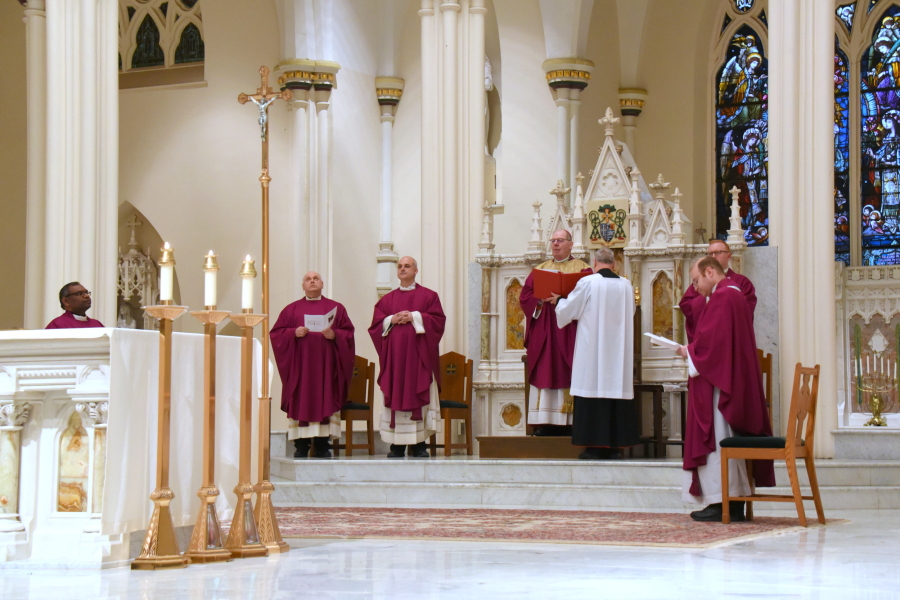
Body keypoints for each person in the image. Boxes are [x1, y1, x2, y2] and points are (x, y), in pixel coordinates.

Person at [676, 257, 774, 522]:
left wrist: (689, 351)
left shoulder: (724, 297)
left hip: (720, 383)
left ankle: (721, 502)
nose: (695, 288)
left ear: (710, 271)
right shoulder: (731, 293)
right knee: (722, 440)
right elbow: (718, 340)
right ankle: (733, 500)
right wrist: (695, 351)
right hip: (727, 377)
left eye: (696, 280)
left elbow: (712, 344)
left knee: (717, 440)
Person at [553, 248, 639, 460]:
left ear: (594, 263)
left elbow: (569, 310)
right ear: (614, 264)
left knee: (591, 388)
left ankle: (593, 447)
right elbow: (633, 312)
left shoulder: (589, 282)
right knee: (615, 390)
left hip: (593, 351)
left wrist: (558, 301)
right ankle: (615, 447)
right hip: (618, 352)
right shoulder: (626, 286)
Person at [270, 272, 355, 459]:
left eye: (316, 278)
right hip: (301, 368)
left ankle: (322, 445)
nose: (312, 281)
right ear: (303, 286)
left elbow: (348, 333)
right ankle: (301, 445)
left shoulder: (336, 308)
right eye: (308, 279)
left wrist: (336, 335)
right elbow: (276, 333)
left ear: (322, 283)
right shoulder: (291, 310)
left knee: (325, 396)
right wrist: (293, 332)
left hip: (326, 367)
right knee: (302, 398)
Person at [368, 256, 445, 458]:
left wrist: (415, 316)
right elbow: (375, 326)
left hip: (418, 360)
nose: (403, 269)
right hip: (395, 361)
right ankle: (396, 446)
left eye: (407, 266)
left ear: (415, 271)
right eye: (400, 266)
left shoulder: (429, 296)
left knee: (418, 393)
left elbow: (438, 322)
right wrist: (391, 319)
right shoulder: (387, 300)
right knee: (395, 393)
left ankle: (419, 444)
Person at [519, 230, 592, 435]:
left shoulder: (583, 270)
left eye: (560, 241)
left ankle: (570, 422)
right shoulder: (540, 270)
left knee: (568, 371)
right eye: (553, 241)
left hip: (569, 331)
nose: (556, 244)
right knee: (545, 369)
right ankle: (545, 422)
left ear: (571, 244)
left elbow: (589, 298)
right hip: (545, 332)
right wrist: (540, 300)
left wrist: (564, 297)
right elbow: (525, 297)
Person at [679, 239, 756, 342]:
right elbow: (685, 304)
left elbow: (745, 312)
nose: (714, 256)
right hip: (706, 338)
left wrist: (714, 302)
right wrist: (707, 301)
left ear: (728, 256)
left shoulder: (742, 282)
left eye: (718, 253)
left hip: (730, 339)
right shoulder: (701, 282)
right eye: (710, 253)